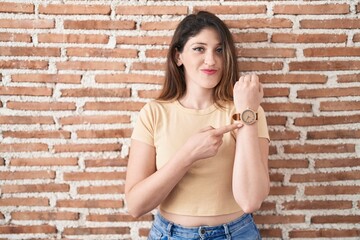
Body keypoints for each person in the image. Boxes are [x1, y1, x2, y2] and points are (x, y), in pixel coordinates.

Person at [125, 11, 270, 240]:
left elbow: (251, 200)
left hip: (237, 233)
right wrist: (188, 155)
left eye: (219, 50)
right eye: (199, 49)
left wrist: (247, 113)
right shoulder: (153, 113)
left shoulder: (248, 111)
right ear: (178, 57)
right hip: (170, 234)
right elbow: (135, 206)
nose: (211, 60)